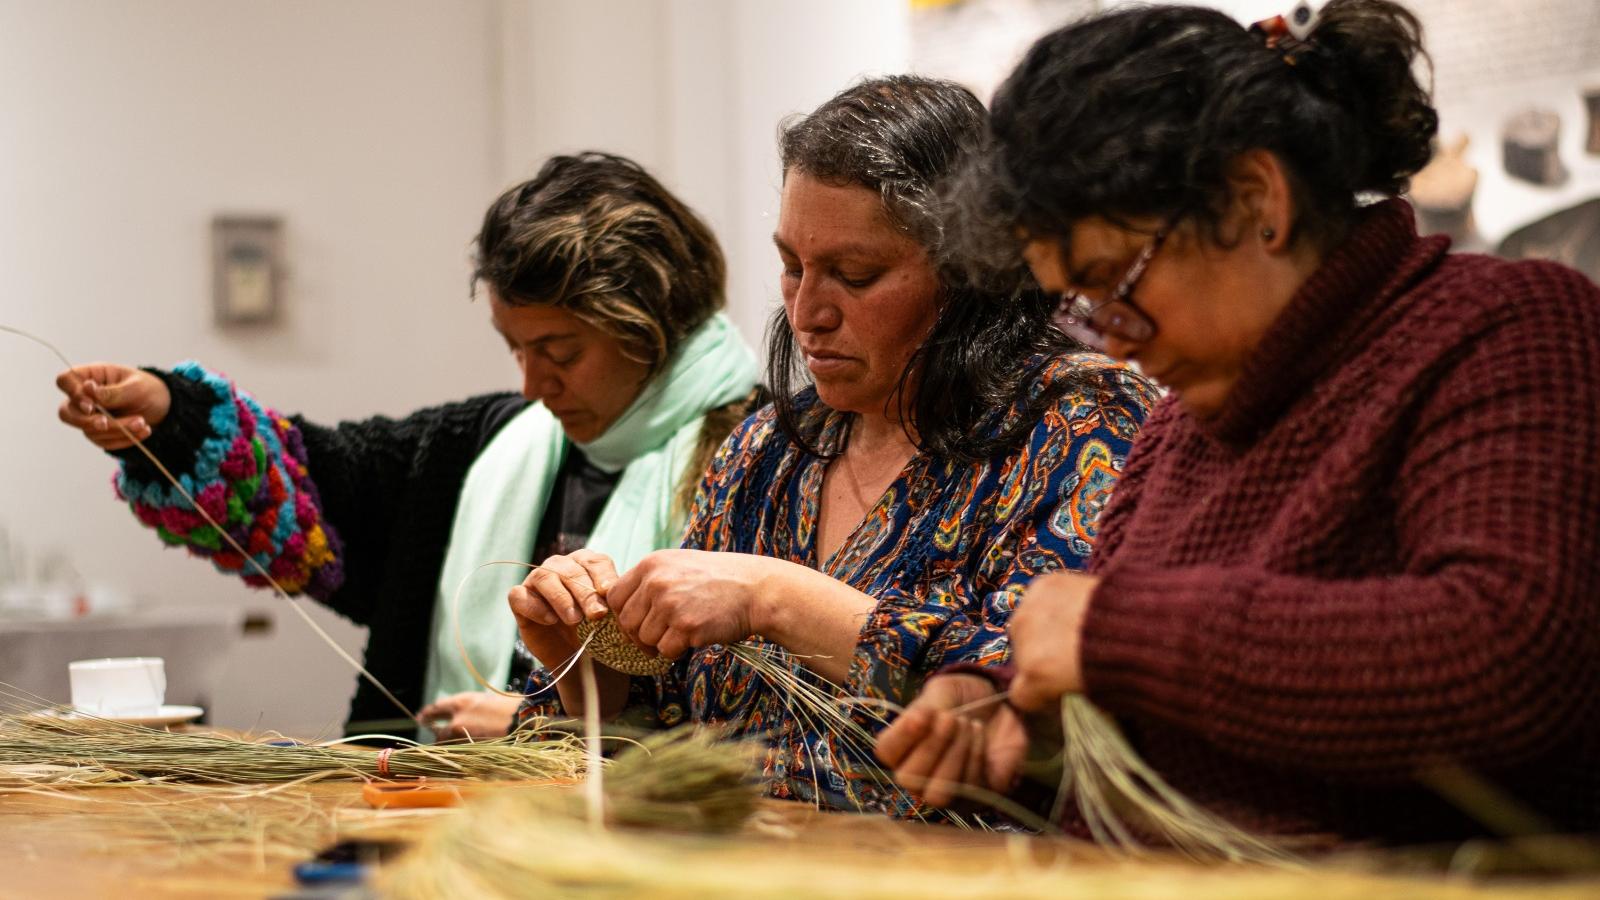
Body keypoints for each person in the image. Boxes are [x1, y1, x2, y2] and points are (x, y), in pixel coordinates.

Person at [877, 1, 1600, 843]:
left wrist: (1113, 635)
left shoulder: (1510, 331)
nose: (1109, 336)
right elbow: (1178, 703)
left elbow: (1513, 653)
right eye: (1084, 303)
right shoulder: (1178, 428)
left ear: (1257, 197)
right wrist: (1018, 707)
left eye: (1117, 282)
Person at [509, 76, 1157, 814]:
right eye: (792, 266)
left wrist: (778, 598)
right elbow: (671, 730)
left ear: (972, 272)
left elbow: (1048, 701)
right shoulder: (770, 450)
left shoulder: (1079, 425)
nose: (809, 311)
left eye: (856, 275)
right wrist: (587, 659)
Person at [54, 153, 759, 740]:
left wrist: (531, 726)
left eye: (559, 351)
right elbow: (318, 479)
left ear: (646, 327)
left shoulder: (761, 462)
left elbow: (749, 721)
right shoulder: (485, 443)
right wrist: (172, 416)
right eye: (515, 348)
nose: (534, 383)